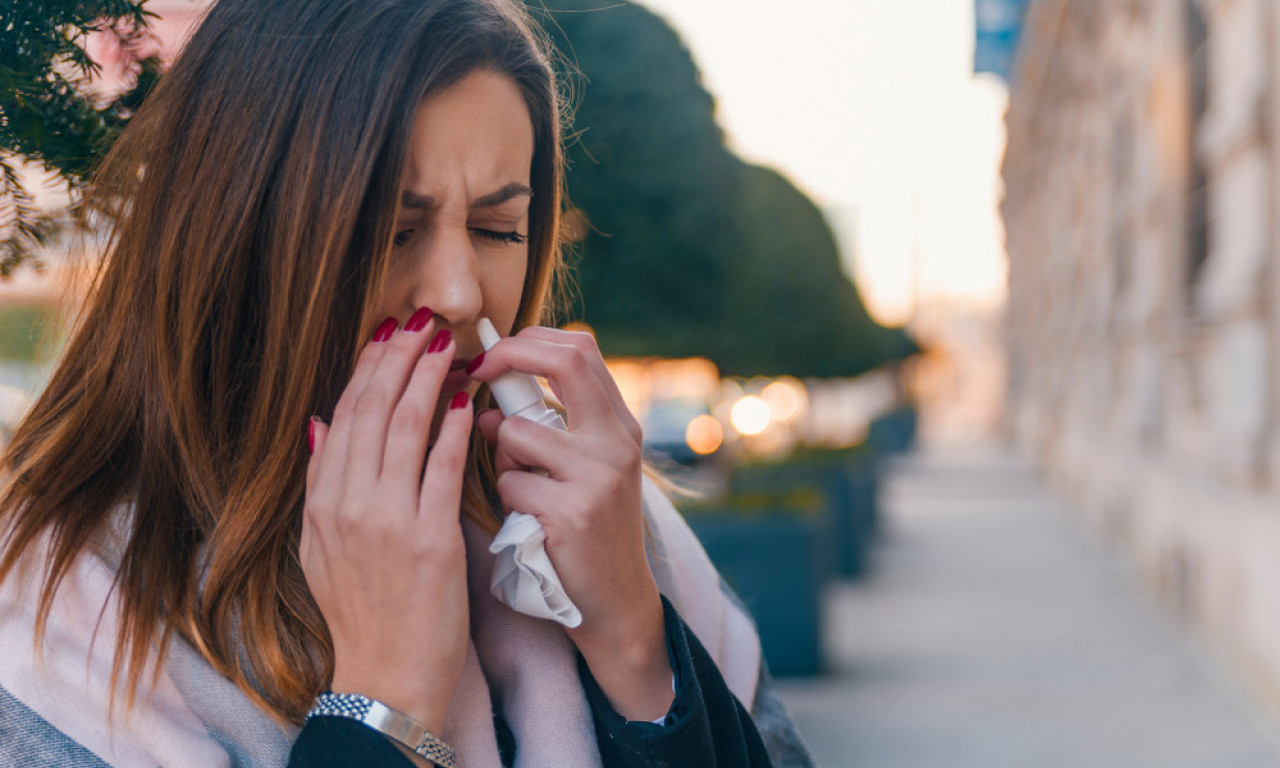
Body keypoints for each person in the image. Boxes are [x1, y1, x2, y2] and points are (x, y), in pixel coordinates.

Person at [0, 0, 815, 766]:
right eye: (391, 231)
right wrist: (382, 705)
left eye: (499, 228)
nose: (459, 293)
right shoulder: (55, 612)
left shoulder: (594, 520)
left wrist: (637, 642)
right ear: (235, 239)